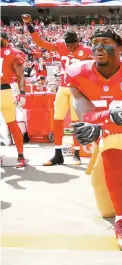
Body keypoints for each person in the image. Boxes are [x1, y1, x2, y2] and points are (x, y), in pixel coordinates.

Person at [67, 27, 122, 251]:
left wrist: (99, 121)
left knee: (113, 149)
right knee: (106, 209)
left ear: (120, 48)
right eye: (95, 42)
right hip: (102, 139)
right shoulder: (77, 72)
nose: (98, 47)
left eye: (105, 42)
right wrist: (108, 117)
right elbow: (85, 115)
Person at [22, 14, 93, 166]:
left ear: (78, 43)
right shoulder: (61, 44)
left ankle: (77, 154)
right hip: (63, 87)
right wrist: (29, 25)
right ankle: (58, 154)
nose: (69, 49)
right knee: (58, 119)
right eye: (67, 46)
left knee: (76, 122)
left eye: (72, 46)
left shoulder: (86, 50)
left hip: (77, 90)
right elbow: (40, 42)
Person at [1, 32, 27, 167]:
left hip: (5, 90)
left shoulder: (12, 53)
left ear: (6, 40)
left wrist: (22, 93)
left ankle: (20, 155)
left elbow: (20, 75)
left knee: (12, 123)